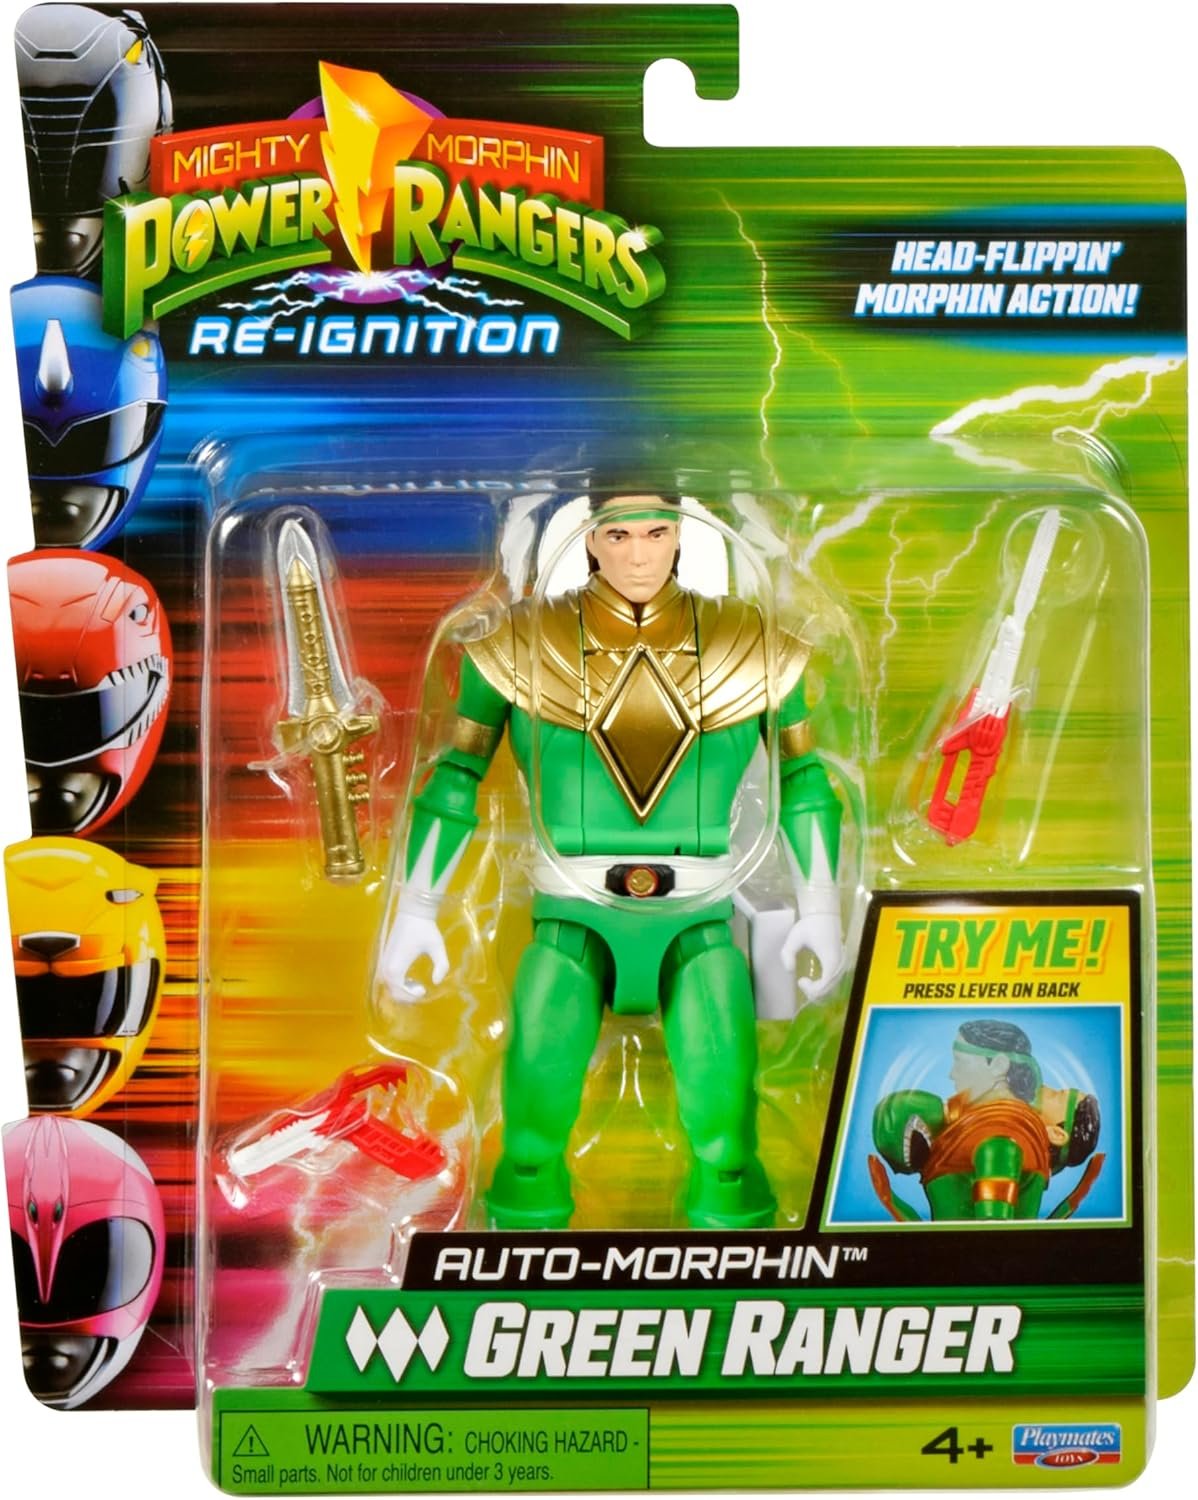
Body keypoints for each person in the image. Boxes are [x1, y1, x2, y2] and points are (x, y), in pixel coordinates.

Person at [379, 484, 845, 1228]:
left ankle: (737, 1259)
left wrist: (820, 909)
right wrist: (416, 910)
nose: (639, 555)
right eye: (620, 535)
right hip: (572, 917)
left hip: (698, 919)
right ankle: (520, 1251)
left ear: (680, 536)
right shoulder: (519, 644)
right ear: (591, 538)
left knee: (727, 1139)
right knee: (530, 1140)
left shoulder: (751, 642)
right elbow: (455, 776)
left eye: (656, 533)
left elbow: (807, 781)